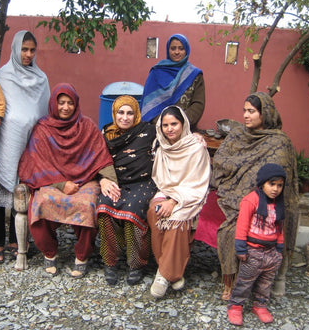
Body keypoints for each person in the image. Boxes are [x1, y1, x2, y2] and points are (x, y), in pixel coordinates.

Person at [18, 83, 118, 278]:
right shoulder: (43, 128)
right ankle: (49, 253)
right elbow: (36, 163)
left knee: (88, 205)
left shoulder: (87, 126)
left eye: (70, 103)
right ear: (54, 104)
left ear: (76, 104)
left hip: (85, 179)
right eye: (61, 103)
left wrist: (107, 179)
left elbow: (100, 155)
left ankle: (82, 256)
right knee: (40, 203)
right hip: (52, 181)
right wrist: (61, 184)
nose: (65, 107)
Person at [212, 92, 298, 301]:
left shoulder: (279, 142)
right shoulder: (238, 134)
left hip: (270, 198)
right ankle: (232, 282)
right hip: (234, 192)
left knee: (239, 226)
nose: (246, 116)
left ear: (264, 113)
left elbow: (278, 175)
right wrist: (238, 173)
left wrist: (256, 191)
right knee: (231, 228)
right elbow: (221, 160)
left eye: (251, 111)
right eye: (244, 111)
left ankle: (273, 277)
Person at [0, 31, 50, 264]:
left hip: (30, 145)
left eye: (32, 50)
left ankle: (18, 240)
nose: (28, 54)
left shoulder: (41, 79)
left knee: (23, 191)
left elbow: (44, 112)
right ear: (15, 49)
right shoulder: (2, 77)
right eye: (24, 49)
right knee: (0, 194)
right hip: (5, 143)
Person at [147, 106, 210, 298]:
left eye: (174, 123)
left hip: (190, 195)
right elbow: (161, 179)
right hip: (165, 191)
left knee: (176, 220)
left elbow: (196, 181)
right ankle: (172, 273)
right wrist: (165, 198)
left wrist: (174, 201)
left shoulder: (196, 147)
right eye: (165, 125)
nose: (169, 129)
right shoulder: (161, 147)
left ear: (183, 124)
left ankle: (163, 274)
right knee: (154, 211)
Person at [96, 95, 157, 286]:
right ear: (114, 113)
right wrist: (103, 180)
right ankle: (110, 262)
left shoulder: (148, 131)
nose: (125, 117)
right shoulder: (106, 133)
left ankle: (135, 264)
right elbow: (96, 160)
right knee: (105, 206)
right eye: (121, 112)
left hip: (143, 182)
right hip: (115, 182)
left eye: (130, 113)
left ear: (136, 114)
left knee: (134, 210)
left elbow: (174, 136)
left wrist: (195, 136)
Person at [227, 163, 286, 326]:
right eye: (272, 184)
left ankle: (260, 305)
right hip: (253, 251)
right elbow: (242, 225)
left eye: (279, 185)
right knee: (245, 281)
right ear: (262, 183)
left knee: (266, 282)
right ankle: (236, 306)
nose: (275, 189)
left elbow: (279, 227)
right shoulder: (251, 200)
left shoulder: (278, 203)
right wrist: (241, 248)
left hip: (271, 252)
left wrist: (279, 249)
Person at [140, 33, 205, 132]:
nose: (177, 52)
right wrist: (163, 124)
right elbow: (148, 104)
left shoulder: (194, 74)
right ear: (168, 50)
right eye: (173, 48)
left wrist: (179, 122)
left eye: (181, 48)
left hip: (185, 128)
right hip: (158, 128)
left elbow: (198, 104)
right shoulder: (156, 72)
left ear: (186, 50)